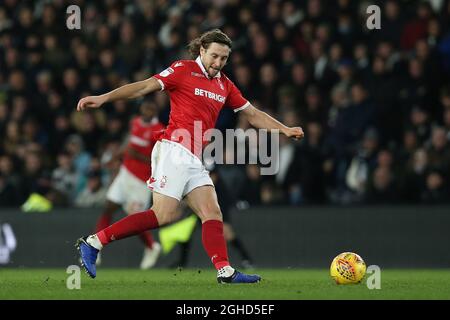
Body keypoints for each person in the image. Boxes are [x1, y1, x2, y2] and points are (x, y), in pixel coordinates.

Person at [76, 29, 304, 284]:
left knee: (212, 212)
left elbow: (252, 114)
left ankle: (225, 271)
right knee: (163, 215)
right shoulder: (182, 70)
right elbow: (144, 87)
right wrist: (104, 97)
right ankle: (94, 242)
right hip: (174, 149)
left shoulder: (224, 84)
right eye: (214, 56)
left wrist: (284, 129)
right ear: (202, 50)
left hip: (194, 157)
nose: (218, 63)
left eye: (224, 58)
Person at [94, 101, 164, 269]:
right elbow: (129, 146)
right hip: (125, 173)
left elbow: (160, 161)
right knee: (108, 207)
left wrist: (138, 157)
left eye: (150, 108)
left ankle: (151, 246)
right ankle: (96, 247)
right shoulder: (135, 123)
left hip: (142, 181)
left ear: (155, 111)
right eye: (145, 107)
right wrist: (115, 157)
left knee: (136, 221)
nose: (147, 110)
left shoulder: (160, 130)